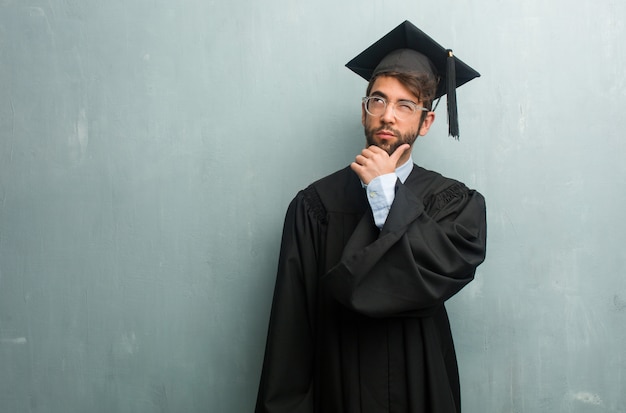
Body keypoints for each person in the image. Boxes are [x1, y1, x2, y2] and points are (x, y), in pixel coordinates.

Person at [255, 20, 487, 413]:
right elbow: (291, 335)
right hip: (338, 390)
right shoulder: (315, 206)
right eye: (377, 101)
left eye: (405, 105)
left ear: (426, 122)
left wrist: (385, 193)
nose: (388, 116)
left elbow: (435, 276)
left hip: (422, 388)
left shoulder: (453, 203)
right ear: (364, 111)